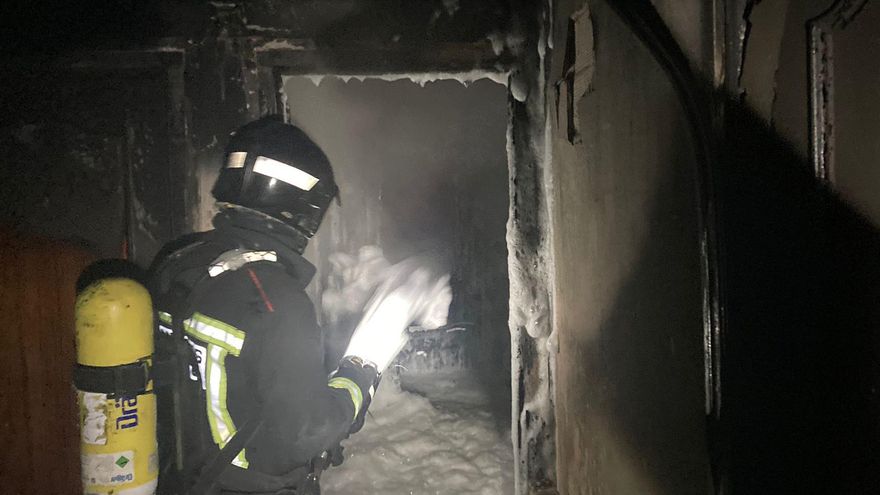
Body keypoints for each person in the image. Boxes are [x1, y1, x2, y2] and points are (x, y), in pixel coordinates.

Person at [150, 116, 397, 494]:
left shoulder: (179, 261)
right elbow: (306, 433)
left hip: (177, 478)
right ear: (304, 209)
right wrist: (361, 373)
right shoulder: (275, 299)